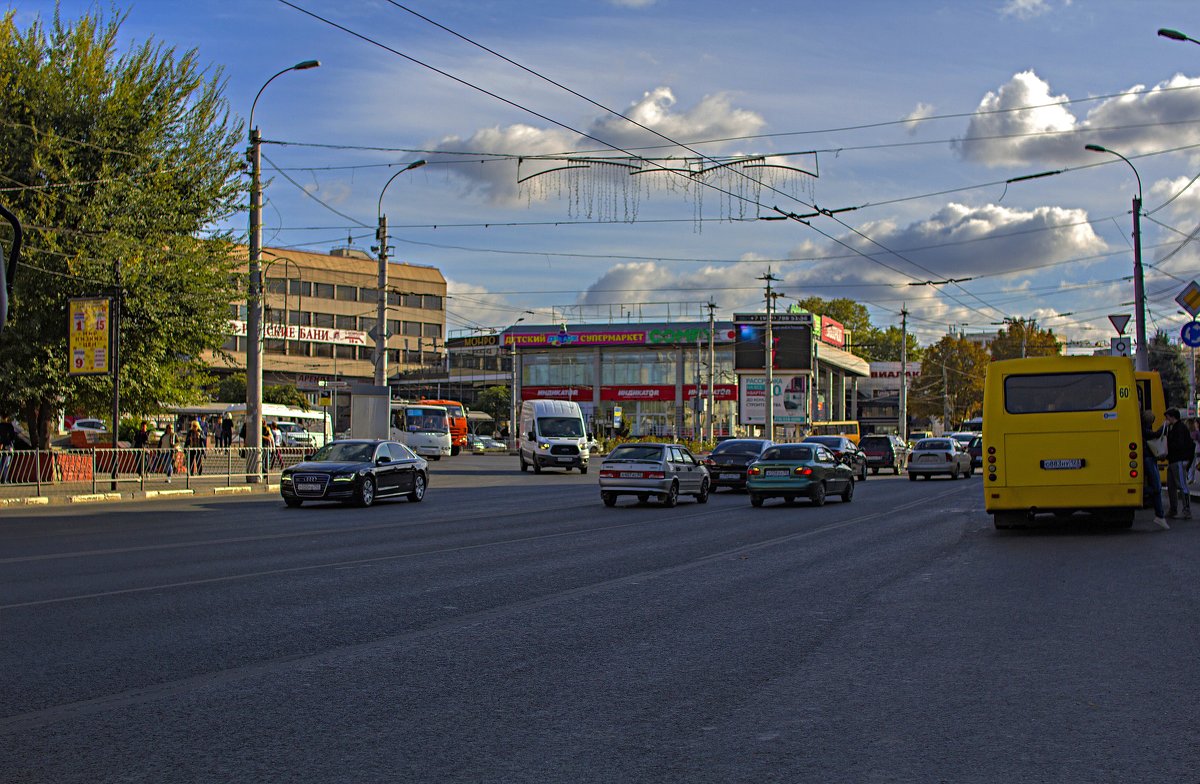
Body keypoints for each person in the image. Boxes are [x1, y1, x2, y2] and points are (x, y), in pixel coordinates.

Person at [1142, 409, 1168, 530]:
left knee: (1156, 487)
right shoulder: (1145, 430)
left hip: (1148, 458)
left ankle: (1160, 515)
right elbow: (1156, 434)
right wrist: (1164, 425)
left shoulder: (1141, 429)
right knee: (1156, 487)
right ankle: (1160, 516)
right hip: (1149, 459)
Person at [1164, 407, 1192, 520]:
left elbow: (1179, 445)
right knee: (1171, 486)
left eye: (1167, 417)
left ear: (1172, 417)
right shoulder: (1174, 427)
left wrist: (1167, 449)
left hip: (1178, 460)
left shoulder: (1179, 428)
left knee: (1181, 485)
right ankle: (1173, 509)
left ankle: (1186, 510)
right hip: (1173, 460)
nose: (1166, 419)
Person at [0, 414, 16, 483]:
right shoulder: (10, 426)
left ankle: (1, 479)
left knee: (1, 464)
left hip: (1, 446)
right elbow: (13, 437)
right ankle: (5, 479)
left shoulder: (0, 426)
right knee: (6, 464)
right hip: (8, 446)